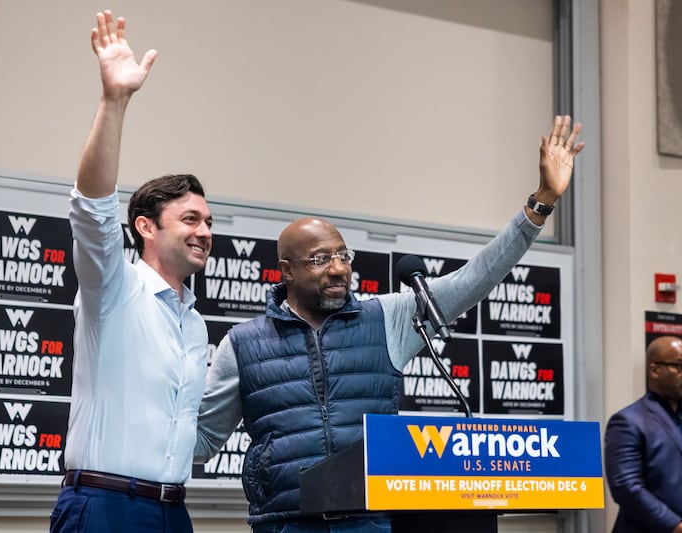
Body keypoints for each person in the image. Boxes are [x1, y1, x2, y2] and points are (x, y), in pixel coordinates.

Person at [195, 116, 584, 532]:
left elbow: (476, 277)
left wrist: (540, 203)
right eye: (320, 259)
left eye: (343, 256)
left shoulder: (387, 317)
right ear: (286, 271)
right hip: (286, 523)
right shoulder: (243, 344)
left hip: (370, 522)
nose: (337, 269)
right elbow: (202, 441)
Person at [50, 11, 213, 533]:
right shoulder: (113, 286)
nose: (204, 231)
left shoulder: (196, 323)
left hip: (174, 511)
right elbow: (92, 208)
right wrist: (113, 101)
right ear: (145, 226)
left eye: (208, 221)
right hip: (104, 506)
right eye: (189, 219)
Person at [604, 336, 682, 533]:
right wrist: (675, 525)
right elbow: (626, 488)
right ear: (655, 370)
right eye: (678, 366)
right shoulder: (628, 421)